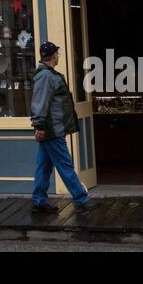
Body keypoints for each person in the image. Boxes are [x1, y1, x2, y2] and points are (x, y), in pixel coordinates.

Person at [29, 42, 91, 213]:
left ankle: (39, 201)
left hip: (52, 129)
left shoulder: (49, 74)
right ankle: (81, 200)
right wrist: (39, 126)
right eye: (57, 53)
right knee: (65, 165)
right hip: (52, 130)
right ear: (53, 56)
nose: (58, 56)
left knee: (44, 166)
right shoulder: (46, 76)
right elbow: (40, 103)